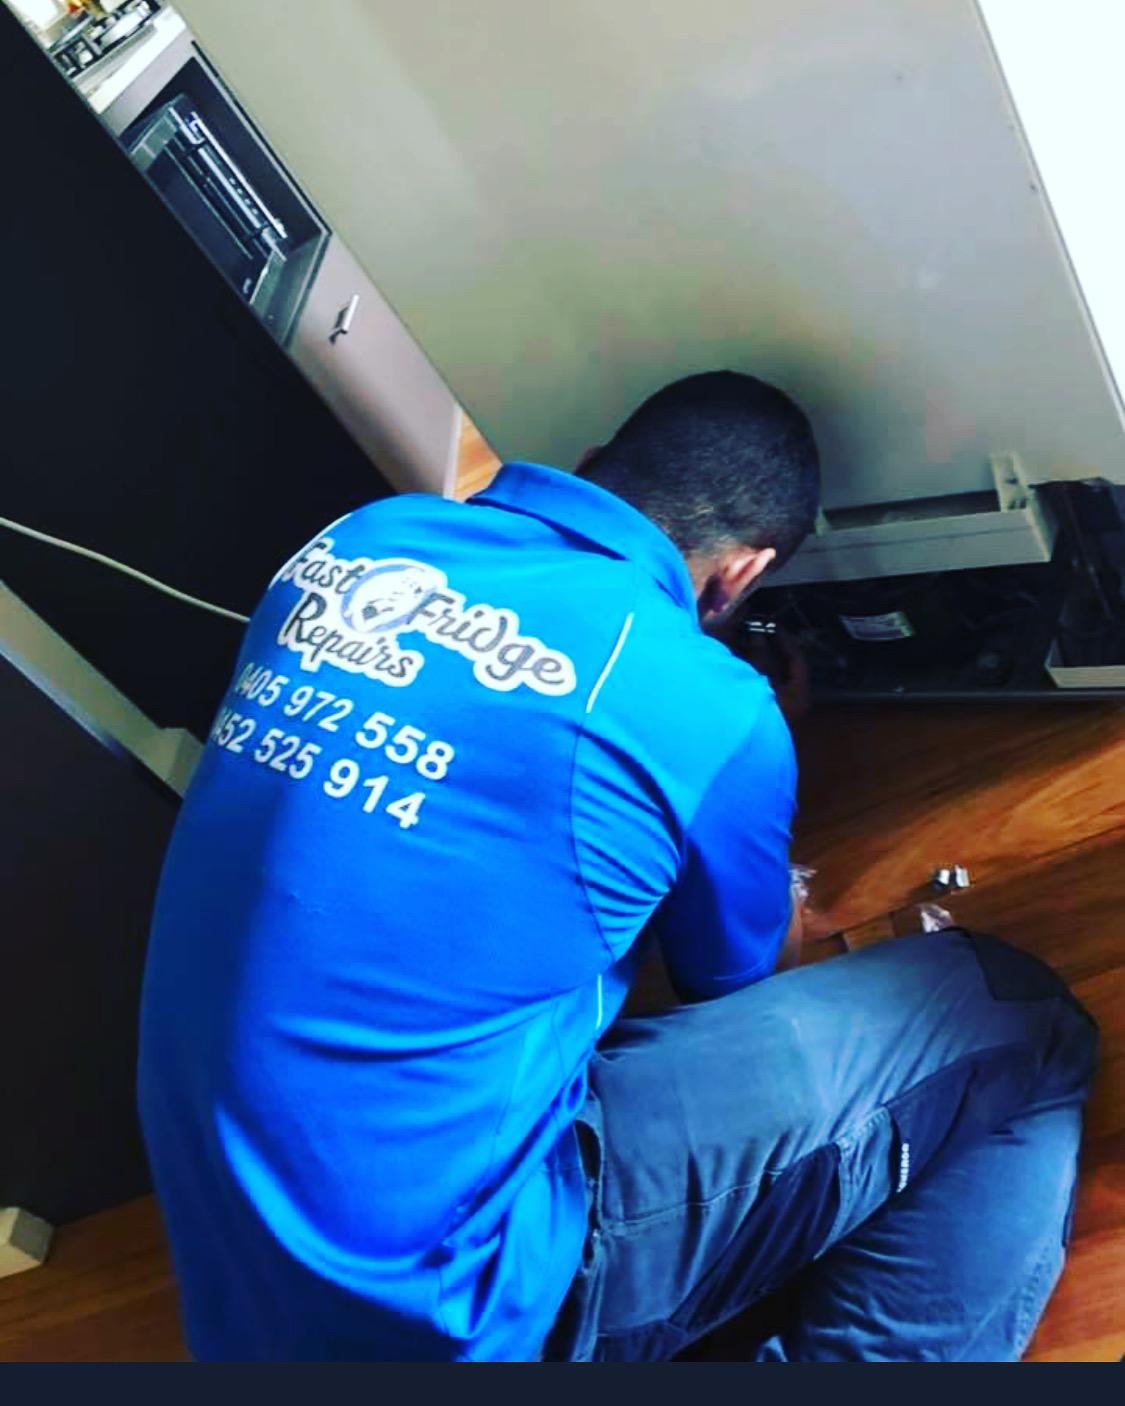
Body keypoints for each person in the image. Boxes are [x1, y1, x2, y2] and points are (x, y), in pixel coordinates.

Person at [137, 371, 1097, 1362]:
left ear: (594, 462)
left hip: (235, 1260)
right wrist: (737, 754)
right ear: (741, 575)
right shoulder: (708, 704)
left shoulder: (362, 541)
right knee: (1016, 1014)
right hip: (455, 1302)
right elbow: (740, 982)